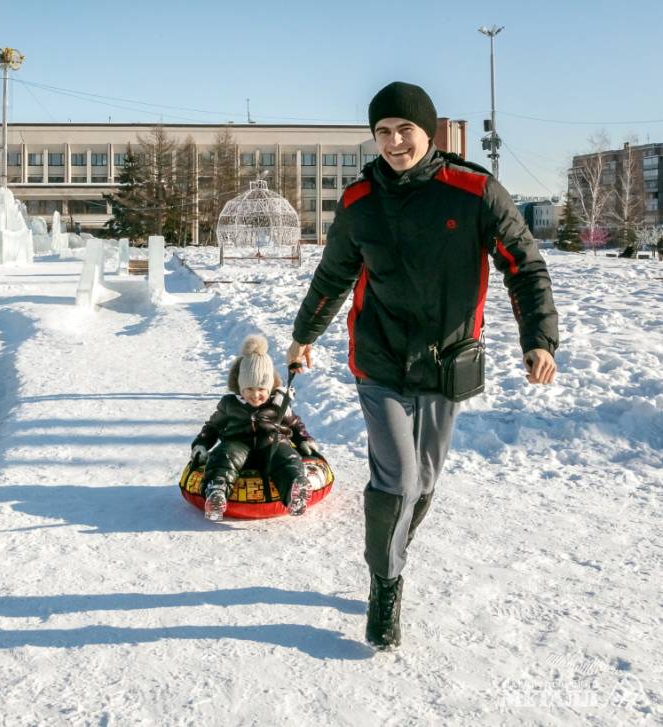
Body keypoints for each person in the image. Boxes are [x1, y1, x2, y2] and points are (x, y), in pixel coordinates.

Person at [286, 81, 559, 649]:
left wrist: (539, 339)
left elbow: (524, 265)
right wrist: (303, 336)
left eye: (403, 130)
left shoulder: (474, 191)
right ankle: (386, 582)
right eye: (382, 131)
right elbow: (334, 274)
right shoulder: (360, 200)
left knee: (426, 479)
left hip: (446, 360)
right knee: (399, 478)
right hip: (379, 358)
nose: (392, 141)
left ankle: (392, 549)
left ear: (427, 131)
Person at [192, 334, 318, 522]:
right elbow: (213, 426)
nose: (255, 395)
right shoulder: (229, 404)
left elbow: (294, 423)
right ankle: (217, 491)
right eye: (249, 389)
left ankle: (295, 490)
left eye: (261, 389)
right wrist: (201, 444)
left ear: (269, 388)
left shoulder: (279, 403)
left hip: (271, 444)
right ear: (240, 387)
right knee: (223, 456)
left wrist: (304, 439)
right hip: (237, 444)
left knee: (287, 457)